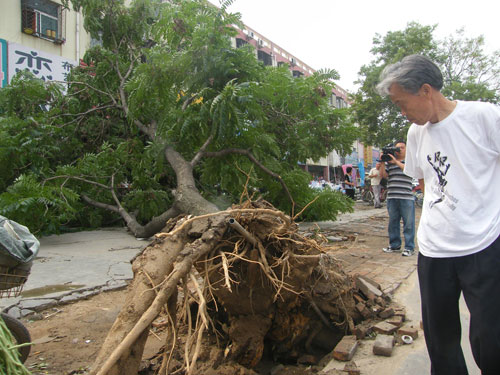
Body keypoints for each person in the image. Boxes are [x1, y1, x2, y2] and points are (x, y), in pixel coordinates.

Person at [376, 54, 500, 375]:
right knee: (441, 343)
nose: (402, 112)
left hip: (483, 246)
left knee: (491, 341)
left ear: (426, 90)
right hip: (433, 251)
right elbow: (423, 181)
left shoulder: (485, 117)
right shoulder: (417, 134)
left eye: (403, 103)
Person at [379, 141, 415, 256]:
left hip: (406, 197)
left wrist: (396, 162)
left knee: (408, 223)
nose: (399, 150)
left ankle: (409, 247)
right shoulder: (390, 162)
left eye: (402, 148)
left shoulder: (410, 161)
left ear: (406, 149)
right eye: (397, 148)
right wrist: (383, 163)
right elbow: (384, 176)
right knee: (393, 223)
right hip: (392, 196)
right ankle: (394, 245)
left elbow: (409, 171)